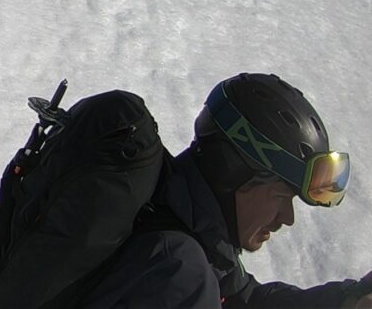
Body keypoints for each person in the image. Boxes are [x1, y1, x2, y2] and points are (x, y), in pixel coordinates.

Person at [84, 73, 370, 309]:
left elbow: (243, 300)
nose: (288, 217)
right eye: (282, 196)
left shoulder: (184, 213)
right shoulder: (178, 275)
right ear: (232, 173)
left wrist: (345, 301)